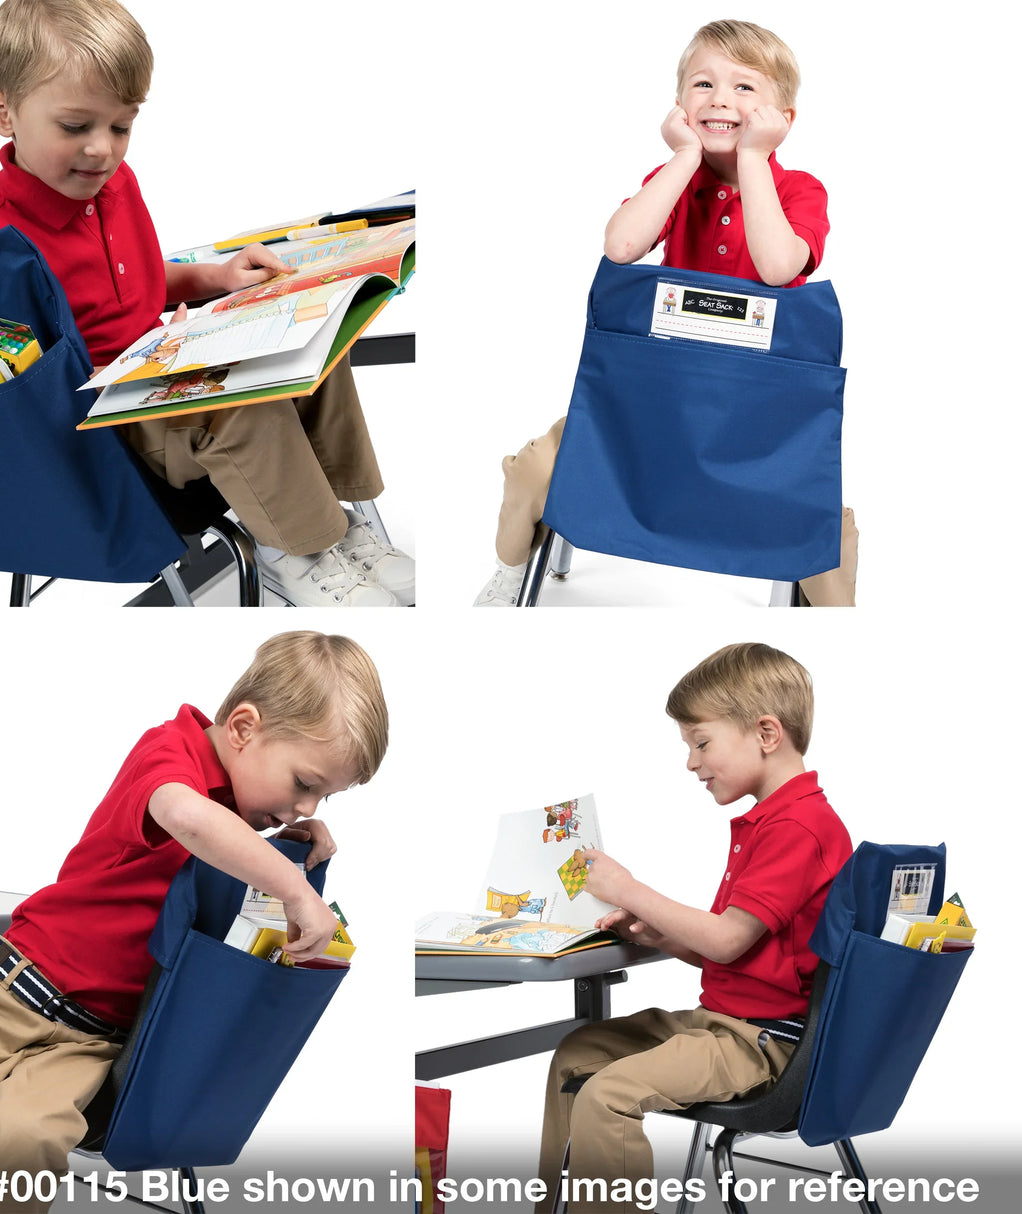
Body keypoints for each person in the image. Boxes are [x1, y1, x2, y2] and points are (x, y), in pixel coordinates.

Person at [0, 630, 389, 1213]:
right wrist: (288, 884)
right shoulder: (170, 751)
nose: (310, 807)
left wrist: (291, 838)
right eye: (305, 784)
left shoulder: (242, 813)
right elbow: (185, 815)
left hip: (91, 1042)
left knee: (24, 1137)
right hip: (5, 997)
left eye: (325, 798)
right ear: (242, 728)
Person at [0, 0, 413, 606]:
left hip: (157, 374)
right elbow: (28, 400)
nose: (103, 150)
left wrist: (217, 277)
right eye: (77, 127)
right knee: (241, 407)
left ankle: (339, 527)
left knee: (314, 340)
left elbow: (141, 281)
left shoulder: (112, 186)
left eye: (121, 127)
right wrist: (157, 359)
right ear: (3, 113)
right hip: (109, 430)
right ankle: (298, 553)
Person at [475, 19, 857, 607]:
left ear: (785, 117)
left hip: (756, 426)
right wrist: (683, 157)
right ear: (680, 105)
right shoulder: (674, 178)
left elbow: (780, 266)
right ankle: (511, 571)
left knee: (830, 529)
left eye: (745, 88)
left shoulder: (801, 189)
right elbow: (622, 247)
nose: (721, 99)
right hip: (652, 406)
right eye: (703, 84)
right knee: (533, 466)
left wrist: (755, 157)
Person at [535, 642, 852, 1214]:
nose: (691, 762)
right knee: (577, 1054)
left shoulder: (798, 827)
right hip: (726, 1024)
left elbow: (728, 938)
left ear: (766, 733)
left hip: (761, 1043)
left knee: (607, 1096)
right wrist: (665, 937)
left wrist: (628, 889)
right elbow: (739, 950)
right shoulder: (769, 822)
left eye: (701, 743)